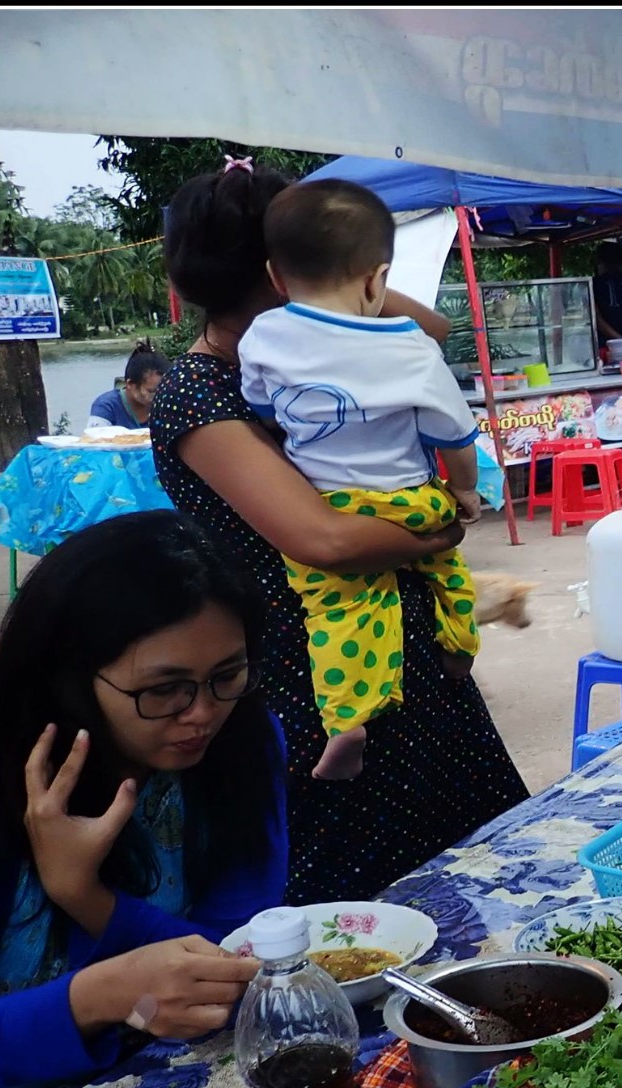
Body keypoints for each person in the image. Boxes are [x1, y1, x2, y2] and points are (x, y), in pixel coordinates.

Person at [151, 158, 528, 905]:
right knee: (367, 903)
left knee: (479, 868)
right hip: (311, 677)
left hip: (407, 650)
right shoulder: (199, 392)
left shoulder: (324, 342)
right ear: (274, 275)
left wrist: (345, 287)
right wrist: (439, 534)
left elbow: (435, 326)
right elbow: (323, 540)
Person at [0, 511, 284, 1088]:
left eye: (227, 674)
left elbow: (231, 958)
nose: (201, 713)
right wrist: (97, 998)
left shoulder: (244, 743)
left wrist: (87, 896)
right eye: (162, 689)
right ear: (72, 677)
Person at [239, 178, 485, 784]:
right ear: (378, 280)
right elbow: (454, 435)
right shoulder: (410, 347)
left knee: (339, 610)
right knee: (447, 569)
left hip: (331, 507)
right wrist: (464, 492)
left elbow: (264, 408)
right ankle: (458, 648)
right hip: (413, 502)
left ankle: (348, 720)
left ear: (275, 276)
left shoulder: (262, 338)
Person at [88, 343, 169, 430]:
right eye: (151, 391)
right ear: (130, 384)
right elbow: (95, 440)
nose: (158, 396)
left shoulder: (166, 405)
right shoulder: (106, 406)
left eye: (162, 390)